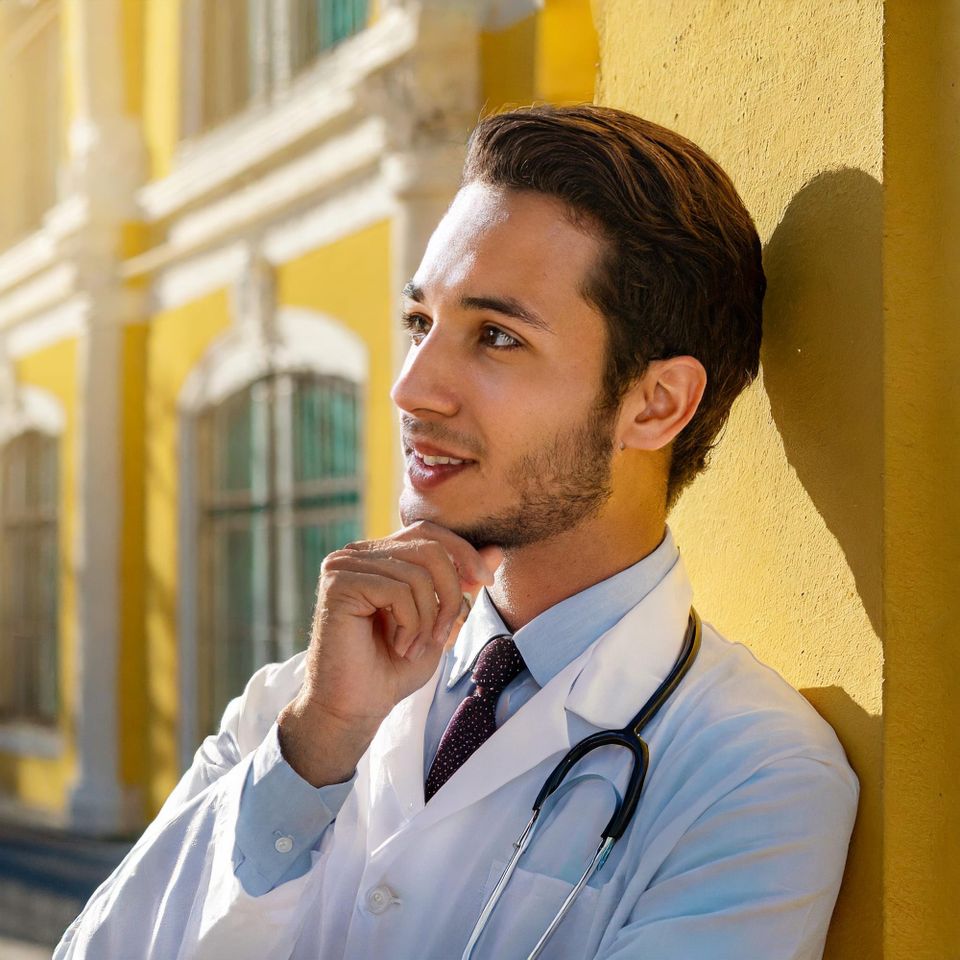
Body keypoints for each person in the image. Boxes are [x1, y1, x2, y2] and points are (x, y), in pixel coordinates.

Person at [56, 105, 857, 960]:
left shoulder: (753, 779)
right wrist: (315, 750)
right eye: (419, 324)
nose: (412, 388)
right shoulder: (293, 709)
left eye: (498, 336)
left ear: (654, 405)